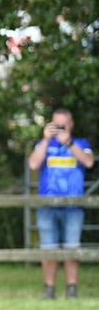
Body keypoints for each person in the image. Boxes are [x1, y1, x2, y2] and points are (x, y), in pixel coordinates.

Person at [28, 109, 94, 299]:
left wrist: (69, 144)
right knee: (48, 249)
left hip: (73, 206)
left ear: (71, 125)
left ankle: (72, 289)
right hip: (47, 205)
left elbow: (88, 162)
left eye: (62, 125)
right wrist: (46, 140)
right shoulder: (44, 144)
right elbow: (33, 164)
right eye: (56, 125)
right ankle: (49, 289)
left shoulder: (81, 144)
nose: (59, 129)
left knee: (72, 249)